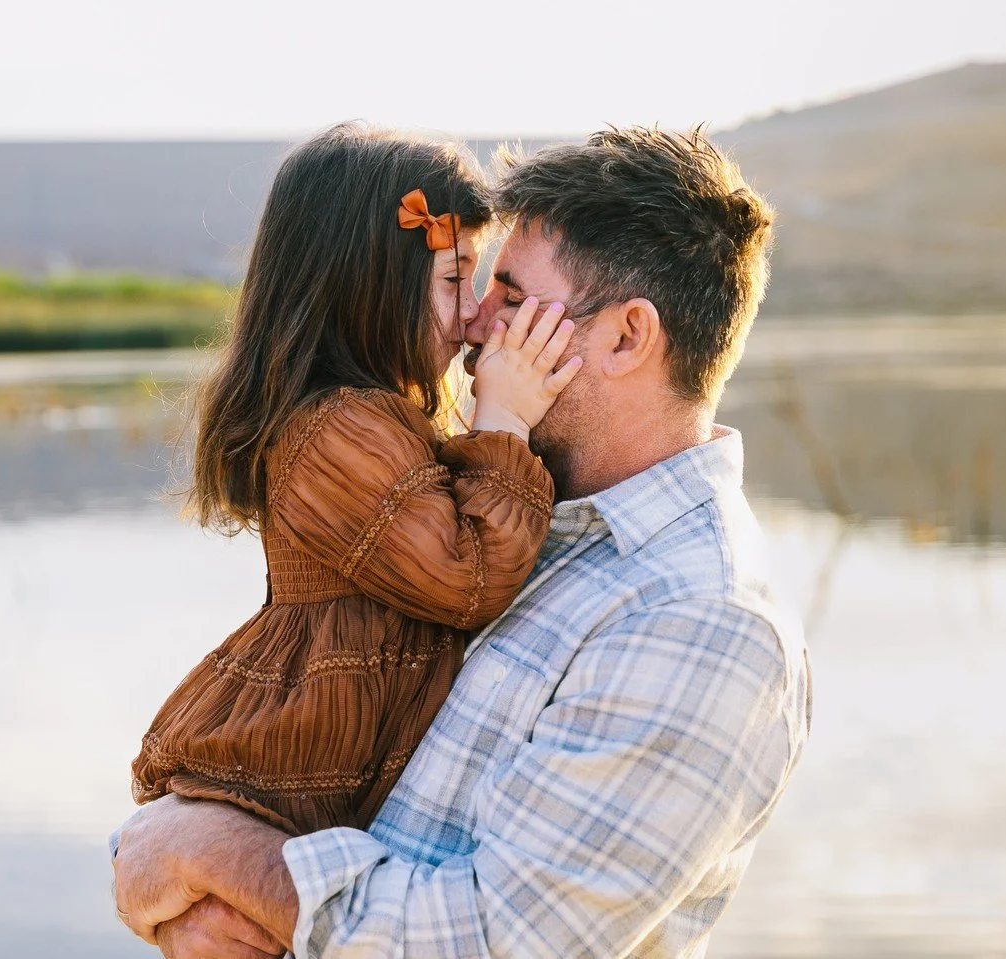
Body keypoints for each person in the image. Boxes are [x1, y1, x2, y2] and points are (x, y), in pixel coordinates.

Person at [114, 126, 812, 959]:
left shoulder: (698, 618)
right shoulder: (536, 524)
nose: (477, 323)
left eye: (511, 299)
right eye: (474, 286)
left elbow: (487, 941)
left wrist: (212, 852)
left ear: (626, 338)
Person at [128, 122, 582, 846]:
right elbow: (466, 578)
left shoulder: (370, 419)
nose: (473, 317)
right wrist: (503, 420)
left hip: (335, 785)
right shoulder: (337, 430)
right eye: (451, 279)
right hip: (298, 776)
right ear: (364, 283)